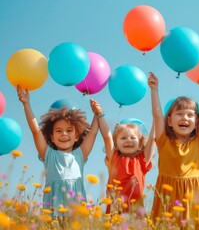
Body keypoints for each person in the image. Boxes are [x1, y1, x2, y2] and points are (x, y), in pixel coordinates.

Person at [17, 85, 100, 216]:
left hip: (76, 213)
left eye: (69, 130)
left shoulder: (80, 154)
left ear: (77, 136)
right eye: (58, 131)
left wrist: (97, 114)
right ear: (52, 137)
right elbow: (35, 130)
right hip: (53, 213)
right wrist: (26, 104)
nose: (64, 134)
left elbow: (93, 132)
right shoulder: (48, 154)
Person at [148, 72, 199, 229]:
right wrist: (154, 90)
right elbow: (157, 115)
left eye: (190, 115)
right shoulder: (163, 141)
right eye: (179, 114)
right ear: (169, 121)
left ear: (196, 122)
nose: (185, 118)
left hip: (192, 197)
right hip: (167, 195)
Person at [96, 107, 155, 214]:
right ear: (116, 144)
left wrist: (157, 118)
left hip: (136, 212)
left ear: (140, 144)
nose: (128, 140)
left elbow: (153, 139)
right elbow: (107, 136)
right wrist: (100, 115)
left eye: (133, 138)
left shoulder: (142, 160)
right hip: (115, 211)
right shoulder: (114, 158)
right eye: (123, 138)